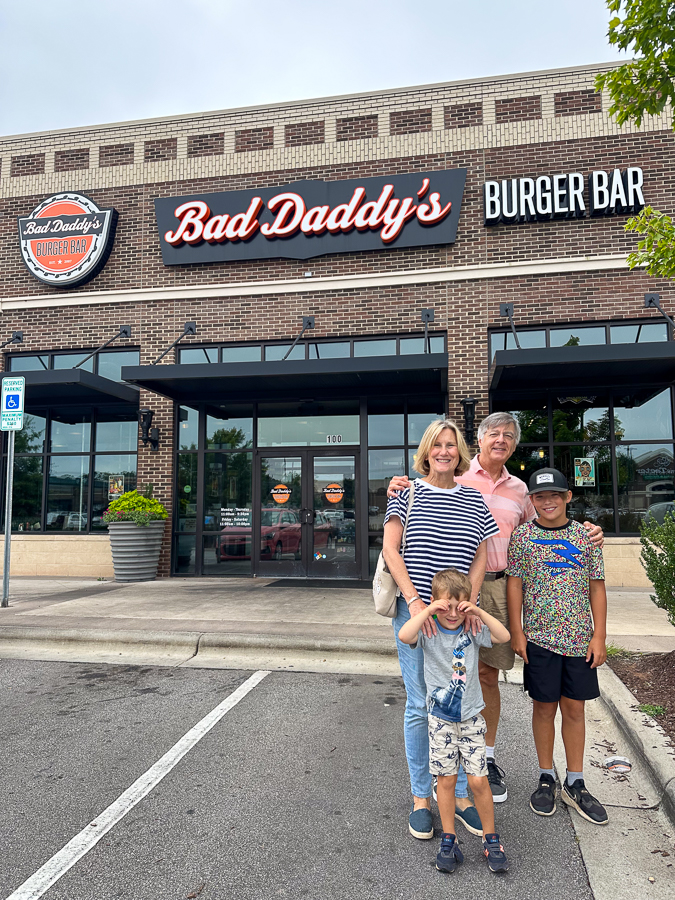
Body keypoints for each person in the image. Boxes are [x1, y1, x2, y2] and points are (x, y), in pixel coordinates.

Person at [387, 412, 604, 803]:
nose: (501, 440)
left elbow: (545, 525)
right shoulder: (434, 485)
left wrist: (586, 531)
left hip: (495, 588)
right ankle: (431, 786)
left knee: (483, 680)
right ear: (480, 440)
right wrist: (418, 601)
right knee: (430, 695)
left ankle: (480, 763)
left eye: (508, 435)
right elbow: (394, 544)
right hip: (432, 601)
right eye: (494, 433)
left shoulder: (520, 489)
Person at [383, 418, 500, 840]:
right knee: (420, 705)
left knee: (461, 705)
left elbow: (481, 555)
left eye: (451, 445)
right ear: (427, 451)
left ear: (460, 452)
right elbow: (391, 550)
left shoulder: (473, 498)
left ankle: (462, 796)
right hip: (417, 613)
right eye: (437, 445)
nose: (445, 452)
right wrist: (415, 600)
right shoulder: (406, 493)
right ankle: (422, 798)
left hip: (458, 618)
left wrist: (472, 602)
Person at [507, 467, 608, 825]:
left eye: (554, 495)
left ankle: (575, 782)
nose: (547, 502)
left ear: (568, 496)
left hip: (579, 640)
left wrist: (599, 635)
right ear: (532, 501)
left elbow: (597, 586)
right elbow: (515, 584)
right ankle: (545, 776)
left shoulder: (586, 537)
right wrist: (517, 631)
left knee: (575, 709)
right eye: (540, 496)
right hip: (539, 639)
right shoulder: (522, 537)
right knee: (544, 708)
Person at [398, 568, 510, 874]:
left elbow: (503, 636)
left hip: (471, 718)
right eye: (445, 606)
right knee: (445, 781)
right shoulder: (428, 631)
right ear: (435, 603)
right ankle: (449, 839)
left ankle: (491, 839)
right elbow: (404, 635)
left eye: (458, 607)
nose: (452, 614)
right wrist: (427, 610)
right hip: (441, 722)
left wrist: (478, 612)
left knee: (478, 781)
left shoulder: (471, 630)